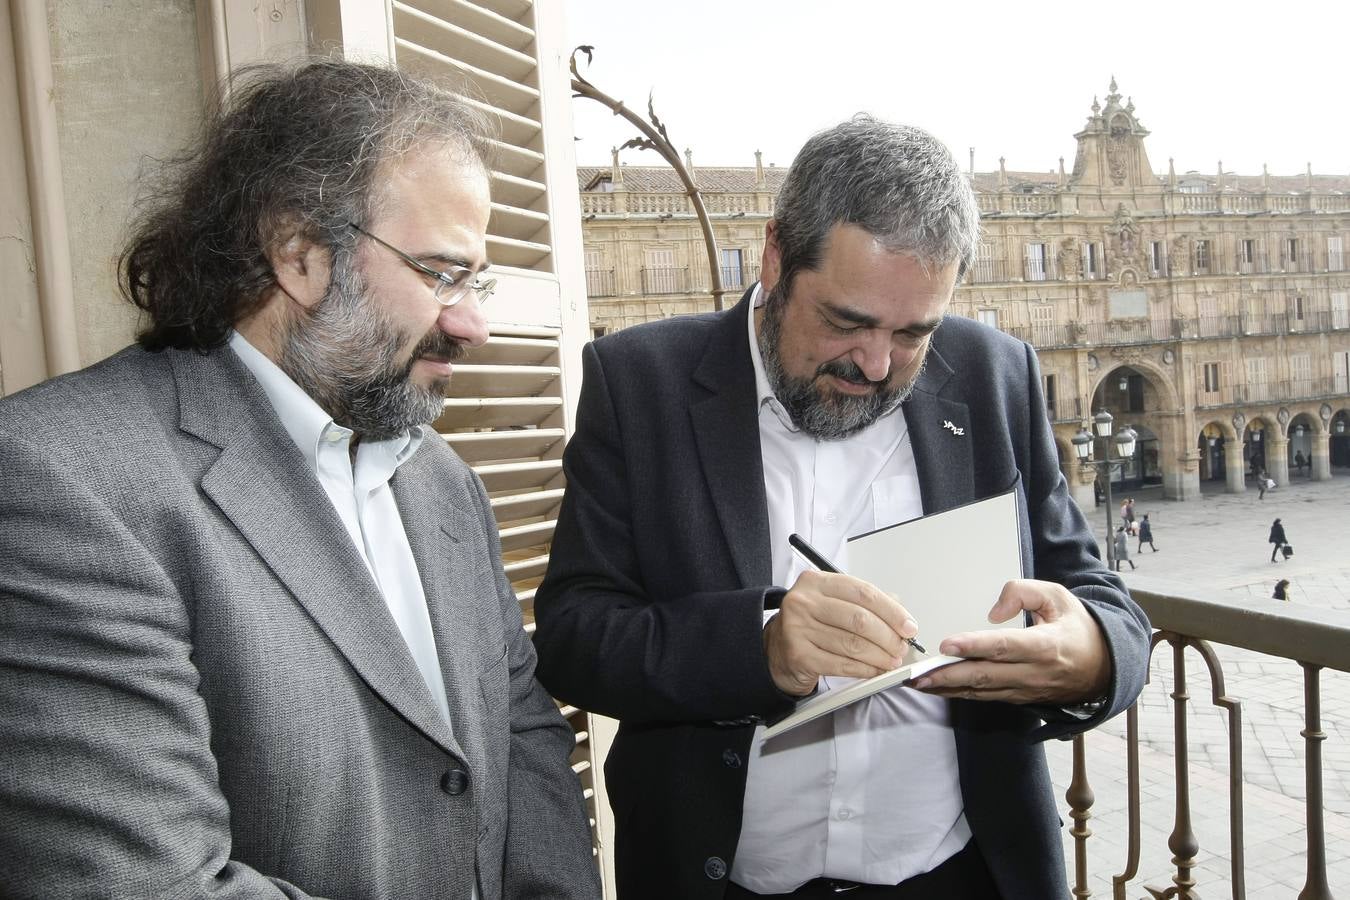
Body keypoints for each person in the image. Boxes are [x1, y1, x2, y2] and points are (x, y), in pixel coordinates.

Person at [0, 60, 600, 899]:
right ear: (300, 255)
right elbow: (148, 884)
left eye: (477, 280)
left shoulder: (442, 480)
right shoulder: (60, 479)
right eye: (441, 273)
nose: (475, 324)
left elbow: (521, 731)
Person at [533, 115, 1151, 900]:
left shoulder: (996, 375)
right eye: (846, 323)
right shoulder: (638, 383)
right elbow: (575, 635)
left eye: (914, 333)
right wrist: (760, 646)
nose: (878, 363)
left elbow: (1100, 598)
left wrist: (1090, 656)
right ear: (775, 257)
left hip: (962, 877)